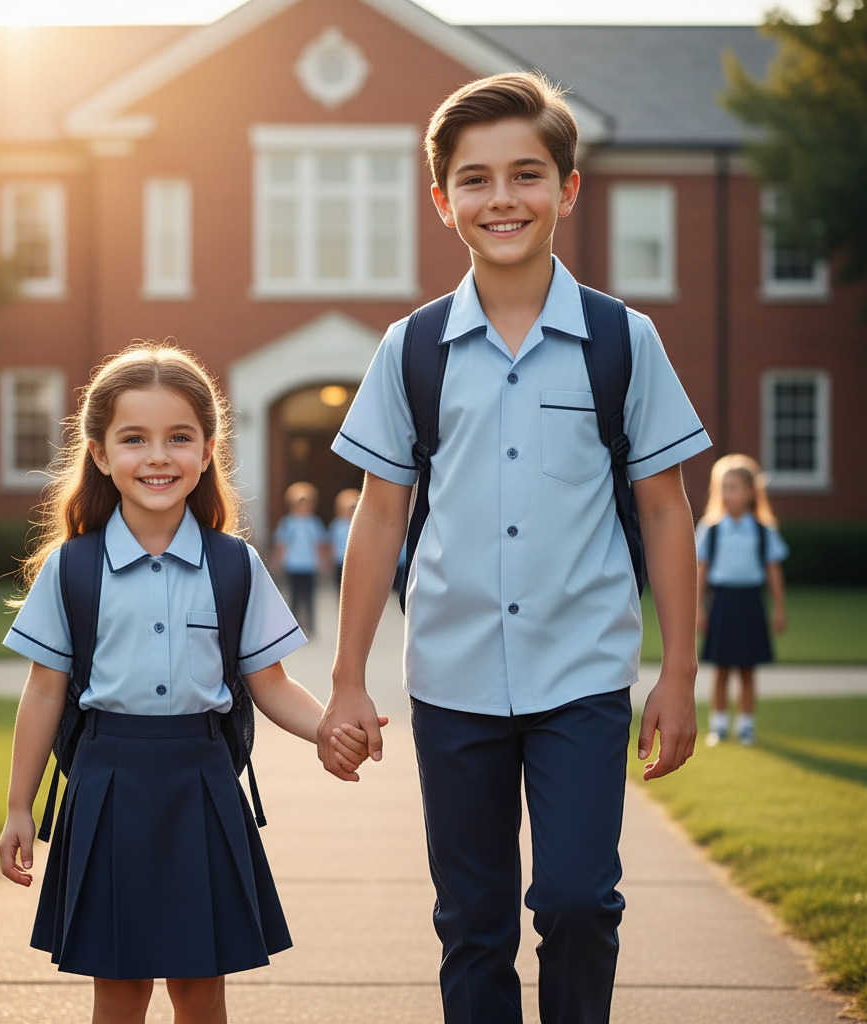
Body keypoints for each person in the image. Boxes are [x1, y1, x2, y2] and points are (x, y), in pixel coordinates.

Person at [319, 72, 712, 1024]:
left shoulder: (625, 340)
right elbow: (379, 517)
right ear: (443, 201)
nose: (503, 198)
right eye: (476, 179)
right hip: (450, 679)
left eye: (527, 175)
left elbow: (664, 512)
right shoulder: (411, 349)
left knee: (579, 903)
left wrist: (679, 674)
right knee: (474, 922)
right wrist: (346, 678)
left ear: (568, 190)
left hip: (581, 674)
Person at [0, 343, 381, 1024]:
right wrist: (19, 806)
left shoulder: (234, 566)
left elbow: (272, 683)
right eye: (134, 439)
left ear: (207, 451)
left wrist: (330, 729)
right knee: (119, 987)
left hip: (203, 784)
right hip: (106, 785)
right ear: (100, 452)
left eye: (179, 438)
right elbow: (45, 692)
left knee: (201, 989)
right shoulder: (70, 569)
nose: (157, 456)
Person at [697, 453, 788, 746]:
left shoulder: (763, 531)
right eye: (724, 487)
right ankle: (719, 725)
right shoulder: (711, 530)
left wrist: (779, 609)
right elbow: (701, 572)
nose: (728, 494)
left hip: (751, 603)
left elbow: (774, 573)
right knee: (721, 669)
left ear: (751, 492)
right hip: (722, 603)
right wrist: (698, 608)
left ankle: (746, 725)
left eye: (734, 487)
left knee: (747, 669)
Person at [272, 481, 328, 635]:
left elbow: (319, 544)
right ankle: (294, 626)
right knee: (295, 596)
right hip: (294, 564)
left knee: (309, 596)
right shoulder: (288, 523)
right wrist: (277, 562)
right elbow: (282, 544)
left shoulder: (314, 522)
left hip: (309, 564)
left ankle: (310, 625)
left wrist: (323, 562)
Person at [328, 488, 360, 588]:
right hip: (340, 560)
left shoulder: (361, 525)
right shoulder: (337, 524)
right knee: (341, 586)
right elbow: (332, 543)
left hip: (357, 561)